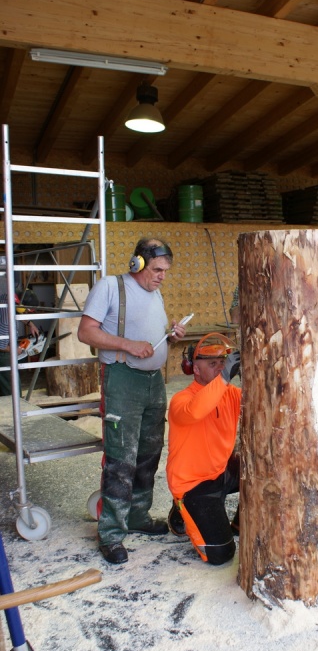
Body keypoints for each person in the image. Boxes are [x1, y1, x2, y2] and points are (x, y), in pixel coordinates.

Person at [77, 237, 186, 564]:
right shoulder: (110, 287)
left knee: (149, 453)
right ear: (137, 263)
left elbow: (151, 332)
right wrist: (128, 344)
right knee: (121, 457)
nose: (162, 276)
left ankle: (138, 515)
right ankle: (111, 532)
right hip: (123, 378)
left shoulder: (155, 293)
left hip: (153, 382)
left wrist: (170, 334)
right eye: (157, 269)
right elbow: (86, 332)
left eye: (165, 270)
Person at [166, 333, 241, 565]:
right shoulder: (181, 400)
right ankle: (182, 507)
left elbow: (259, 402)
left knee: (265, 467)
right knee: (221, 555)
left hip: (221, 471)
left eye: (223, 363)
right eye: (213, 363)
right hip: (194, 484)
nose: (220, 367)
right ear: (195, 369)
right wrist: (225, 377)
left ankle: (240, 523)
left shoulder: (230, 393)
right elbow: (196, 411)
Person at [0, 282, 40, 396]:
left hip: (6, 346)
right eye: (26, 311)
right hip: (3, 354)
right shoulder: (6, 319)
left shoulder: (6, 298)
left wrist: (30, 323)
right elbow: (1, 346)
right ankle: (13, 406)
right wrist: (15, 349)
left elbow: (17, 311)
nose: (26, 313)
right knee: (12, 390)